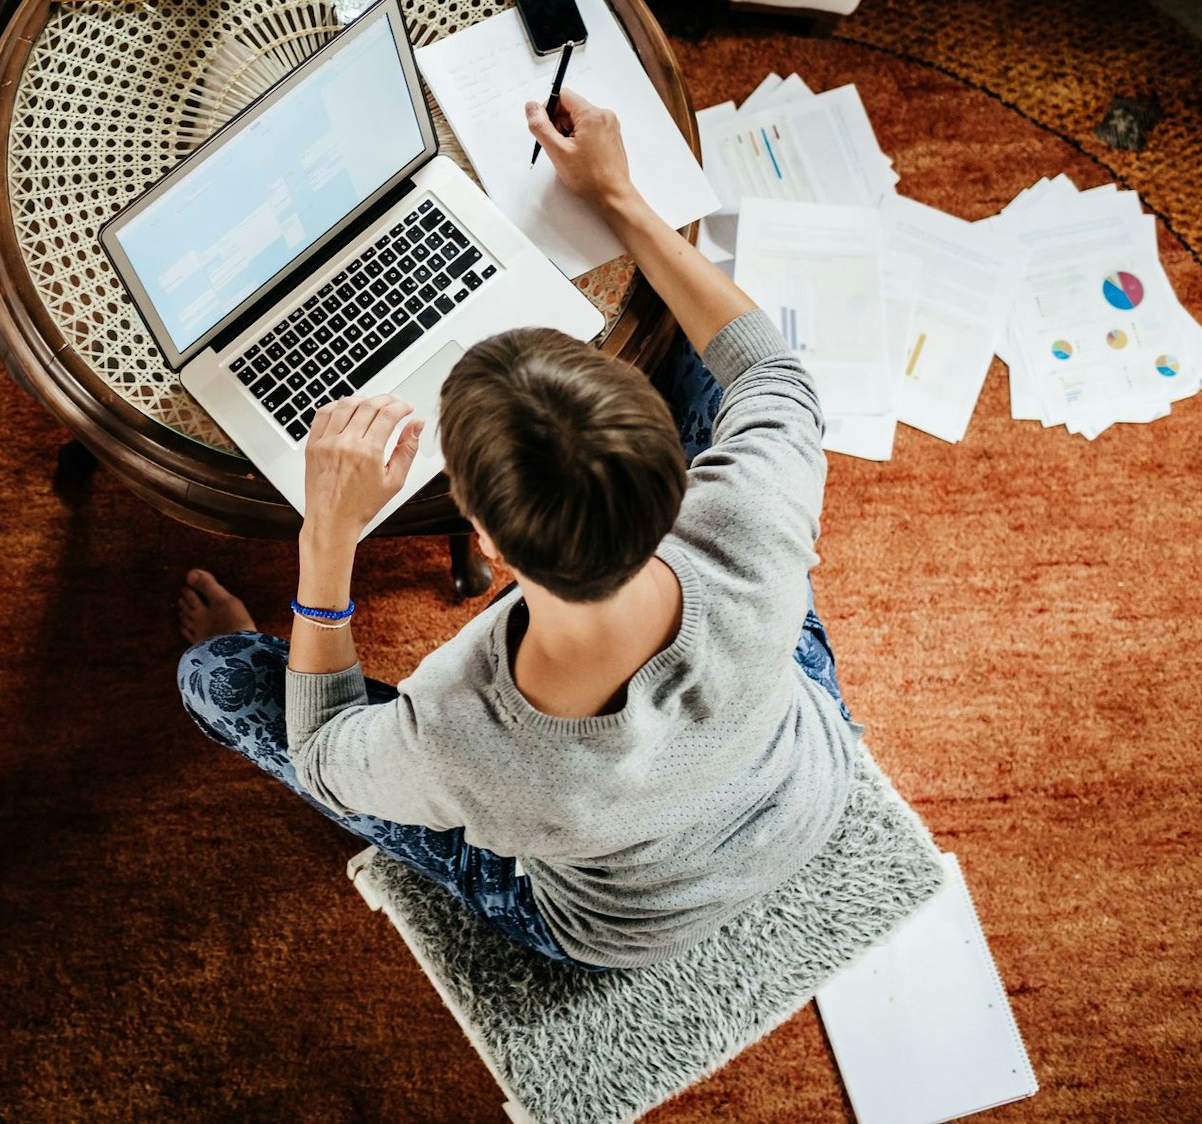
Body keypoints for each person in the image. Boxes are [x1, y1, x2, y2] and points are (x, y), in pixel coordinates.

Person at [174, 90, 860, 969]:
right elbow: (770, 371)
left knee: (218, 678)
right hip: (803, 781)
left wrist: (327, 542)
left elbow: (321, 753)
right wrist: (620, 197)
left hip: (612, 924)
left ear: (487, 544)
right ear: (677, 471)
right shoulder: (753, 512)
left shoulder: (464, 734)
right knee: (700, 346)